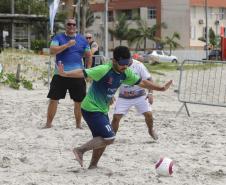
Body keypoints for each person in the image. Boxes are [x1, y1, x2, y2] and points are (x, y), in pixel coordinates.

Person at [57, 46, 172, 168]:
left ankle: (93, 165)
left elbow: (143, 82)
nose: (125, 67)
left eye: (127, 64)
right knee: (110, 137)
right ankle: (80, 150)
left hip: (102, 109)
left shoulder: (126, 72)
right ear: (114, 61)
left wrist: (161, 88)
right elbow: (83, 72)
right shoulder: (104, 69)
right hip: (91, 108)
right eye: (122, 64)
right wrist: (64, 73)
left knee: (100, 139)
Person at [87, 58, 158, 169]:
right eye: (123, 62)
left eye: (127, 62)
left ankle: (150, 130)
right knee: (116, 118)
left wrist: (150, 93)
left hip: (139, 95)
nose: (125, 65)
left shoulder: (138, 65)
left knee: (149, 115)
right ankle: (110, 137)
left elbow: (148, 79)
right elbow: (109, 82)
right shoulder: (113, 66)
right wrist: (109, 96)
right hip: (124, 97)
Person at [44, 18, 92, 129]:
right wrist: (67, 45)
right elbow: (52, 51)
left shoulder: (82, 39)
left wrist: (87, 71)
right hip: (60, 74)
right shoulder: (58, 37)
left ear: (76, 26)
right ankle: (48, 124)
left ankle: (78, 125)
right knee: (53, 99)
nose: (71, 26)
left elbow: (89, 55)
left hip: (77, 74)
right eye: (69, 24)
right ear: (66, 26)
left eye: (73, 24)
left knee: (79, 101)